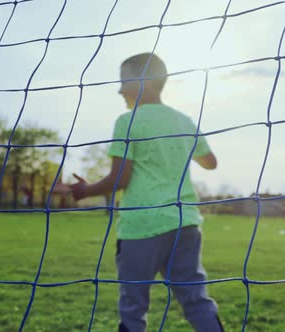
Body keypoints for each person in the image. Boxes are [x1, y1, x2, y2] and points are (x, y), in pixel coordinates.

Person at [70, 53, 223, 332]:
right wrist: (178, 146)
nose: (119, 90)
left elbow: (121, 179)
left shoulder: (128, 121)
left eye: (124, 82)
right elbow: (210, 162)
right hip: (185, 223)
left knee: (133, 306)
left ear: (145, 82)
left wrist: (85, 190)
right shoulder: (184, 121)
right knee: (196, 300)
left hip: (142, 228)